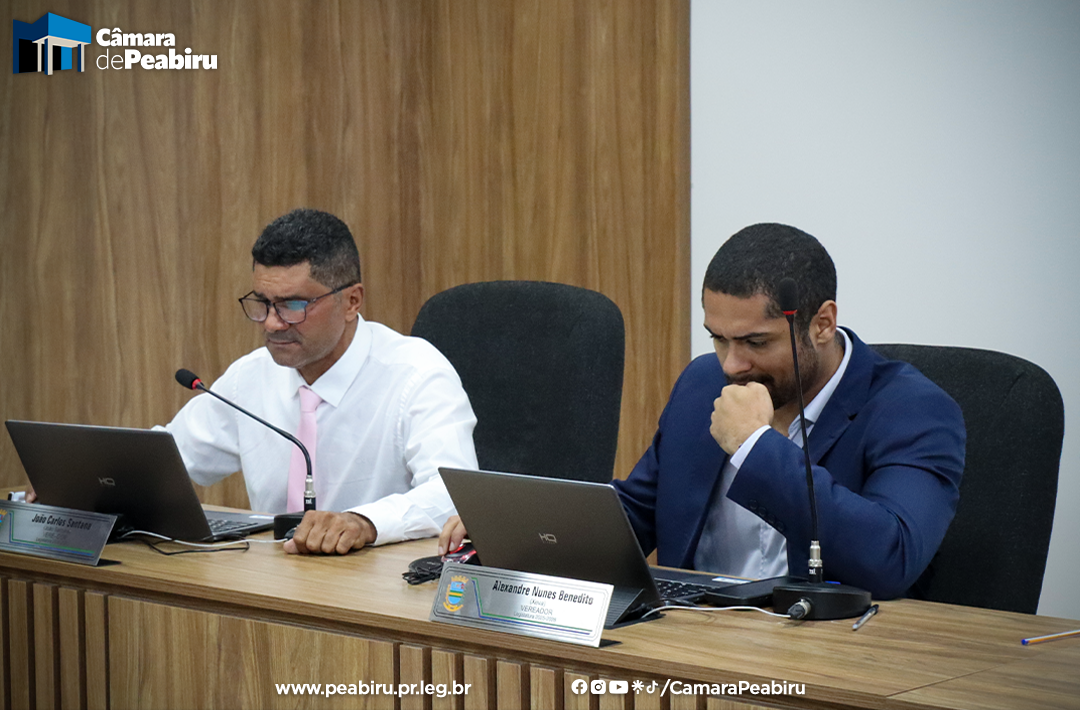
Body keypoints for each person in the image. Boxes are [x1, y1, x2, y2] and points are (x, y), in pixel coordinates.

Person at [438, 223, 965, 599]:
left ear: (822, 324)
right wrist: (518, 527)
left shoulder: (913, 411)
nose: (732, 365)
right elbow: (639, 512)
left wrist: (756, 446)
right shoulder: (702, 383)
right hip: (691, 643)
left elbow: (890, 560)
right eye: (718, 338)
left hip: (825, 658)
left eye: (756, 341)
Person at [164, 208, 478, 555]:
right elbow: (164, 461)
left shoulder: (416, 375)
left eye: (292, 305)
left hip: (378, 579)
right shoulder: (250, 376)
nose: (271, 323)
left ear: (352, 301)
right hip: (271, 578)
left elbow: (452, 496)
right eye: (263, 303)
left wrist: (364, 522)